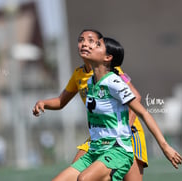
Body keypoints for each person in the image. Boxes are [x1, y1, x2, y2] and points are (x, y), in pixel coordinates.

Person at [50, 37, 182, 181]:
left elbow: (143, 112)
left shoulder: (114, 82)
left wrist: (165, 146)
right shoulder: (90, 81)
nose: (90, 45)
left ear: (107, 57)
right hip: (96, 149)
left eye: (97, 44)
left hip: (117, 150)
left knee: (84, 179)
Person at [33, 29, 148, 180]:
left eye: (91, 40)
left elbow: (136, 97)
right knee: (77, 175)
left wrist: (127, 127)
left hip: (128, 135)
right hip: (100, 137)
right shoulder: (78, 74)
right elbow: (61, 101)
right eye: (81, 40)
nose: (84, 44)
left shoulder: (114, 71)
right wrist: (43, 103)